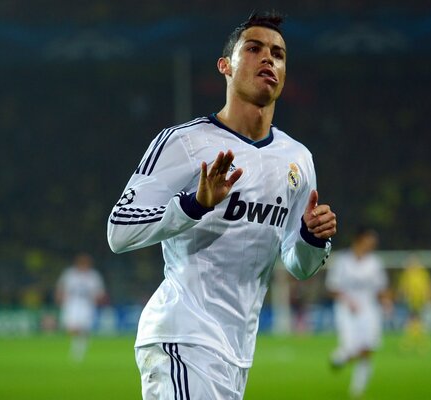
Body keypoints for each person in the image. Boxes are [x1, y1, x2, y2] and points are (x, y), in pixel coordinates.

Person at [107, 11, 337, 400]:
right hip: (182, 337)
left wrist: (312, 238)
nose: (269, 58)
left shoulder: (298, 160)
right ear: (225, 66)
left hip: (236, 354)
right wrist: (195, 204)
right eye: (254, 48)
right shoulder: (183, 143)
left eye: (278, 54)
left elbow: (298, 265)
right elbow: (119, 230)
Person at [325, 228, 390, 399]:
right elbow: (332, 287)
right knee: (351, 348)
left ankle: (357, 389)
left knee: (367, 348)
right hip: (346, 310)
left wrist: (386, 301)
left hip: (369, 310)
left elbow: (381, 288)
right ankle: (340, 357)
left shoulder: (375, 263)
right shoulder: (342, 261)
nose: (373, 244)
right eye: (370, 240)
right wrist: (347, 300)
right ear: (360, 240)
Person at [55, 252, 106, 362]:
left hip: (86, 305)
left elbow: (100, 292)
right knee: (71, 328)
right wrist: (59, 298)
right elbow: (61, 287)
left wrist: (98, 300)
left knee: (84, 328)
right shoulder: (70, 274)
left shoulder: (93, 276)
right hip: (71, 304)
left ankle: (78, 351)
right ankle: (78, 346)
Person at [397, 255, 431, 354]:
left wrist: (427, 297)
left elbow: (427, 285)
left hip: (419, 301)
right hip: (411, 301)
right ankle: (420, 344)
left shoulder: (421, 273)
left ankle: (411, 344)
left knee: (414, 321)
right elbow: (404, 287)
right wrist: (402, 295)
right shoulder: (408, 274)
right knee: (416, 321)